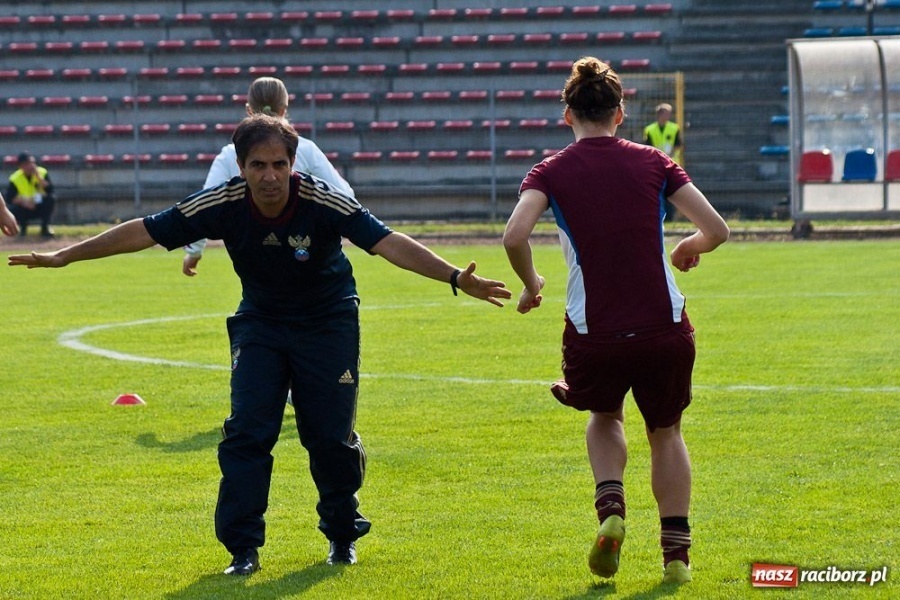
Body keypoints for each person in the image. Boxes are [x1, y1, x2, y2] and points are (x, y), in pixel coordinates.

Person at [10, 114, 511, 576]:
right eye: (258, 165)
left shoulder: (322, 199)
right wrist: (65, 257)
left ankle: (341, 532)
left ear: (293, 165)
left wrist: (453, 277)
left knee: (329, 437)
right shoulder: (223, 202)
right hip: (262, 325)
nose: (269, 175)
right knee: (247, 432)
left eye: (279, 164)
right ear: (241, 166)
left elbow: (386, 241)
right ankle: (242, 550)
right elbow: (145, 231)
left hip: (328, 321)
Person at [503, 57, 729, 585]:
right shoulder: (654, 162)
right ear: (621, 112)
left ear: (567, 114)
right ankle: (676, 557)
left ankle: (612, 511)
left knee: (605, 416)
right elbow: (715, 228)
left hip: (595, 332)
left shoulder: (550, 171)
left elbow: (514, 236)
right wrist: (687, 249)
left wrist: (533, 284)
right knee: (666, 432)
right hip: (663, 327)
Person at [182, 76, 353, 277]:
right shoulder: (306, 149)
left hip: (258, 257)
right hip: (309, 255)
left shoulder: (230, 154)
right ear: (284, 109)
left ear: (248, 110)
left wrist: (194, 252)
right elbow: (345, 196)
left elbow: (204, 206)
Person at [643, 103, 683, 221]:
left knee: (670, 193)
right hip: (655, 165)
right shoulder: (649, 130)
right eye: (667, 113)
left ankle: (669, 218)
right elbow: (647, 146)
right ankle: (659, 217)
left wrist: (669, 156)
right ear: (660, 114)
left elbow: (678, 145)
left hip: (671, 164)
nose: (669, 115)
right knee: (657, 193)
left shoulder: (674, 128)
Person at [6, 152, 55, 238]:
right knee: (13, 209)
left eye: (32, 163)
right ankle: (22, 229)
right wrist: (24, 202)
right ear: (20, 166)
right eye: (27, 164)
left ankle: (45, 228)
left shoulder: (42, 172)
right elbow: (9, 198)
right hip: (25, 208)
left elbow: (50, 190)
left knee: (50, 199)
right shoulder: (15, 178)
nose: (30, 166)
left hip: (40, 206)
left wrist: (39, 178)